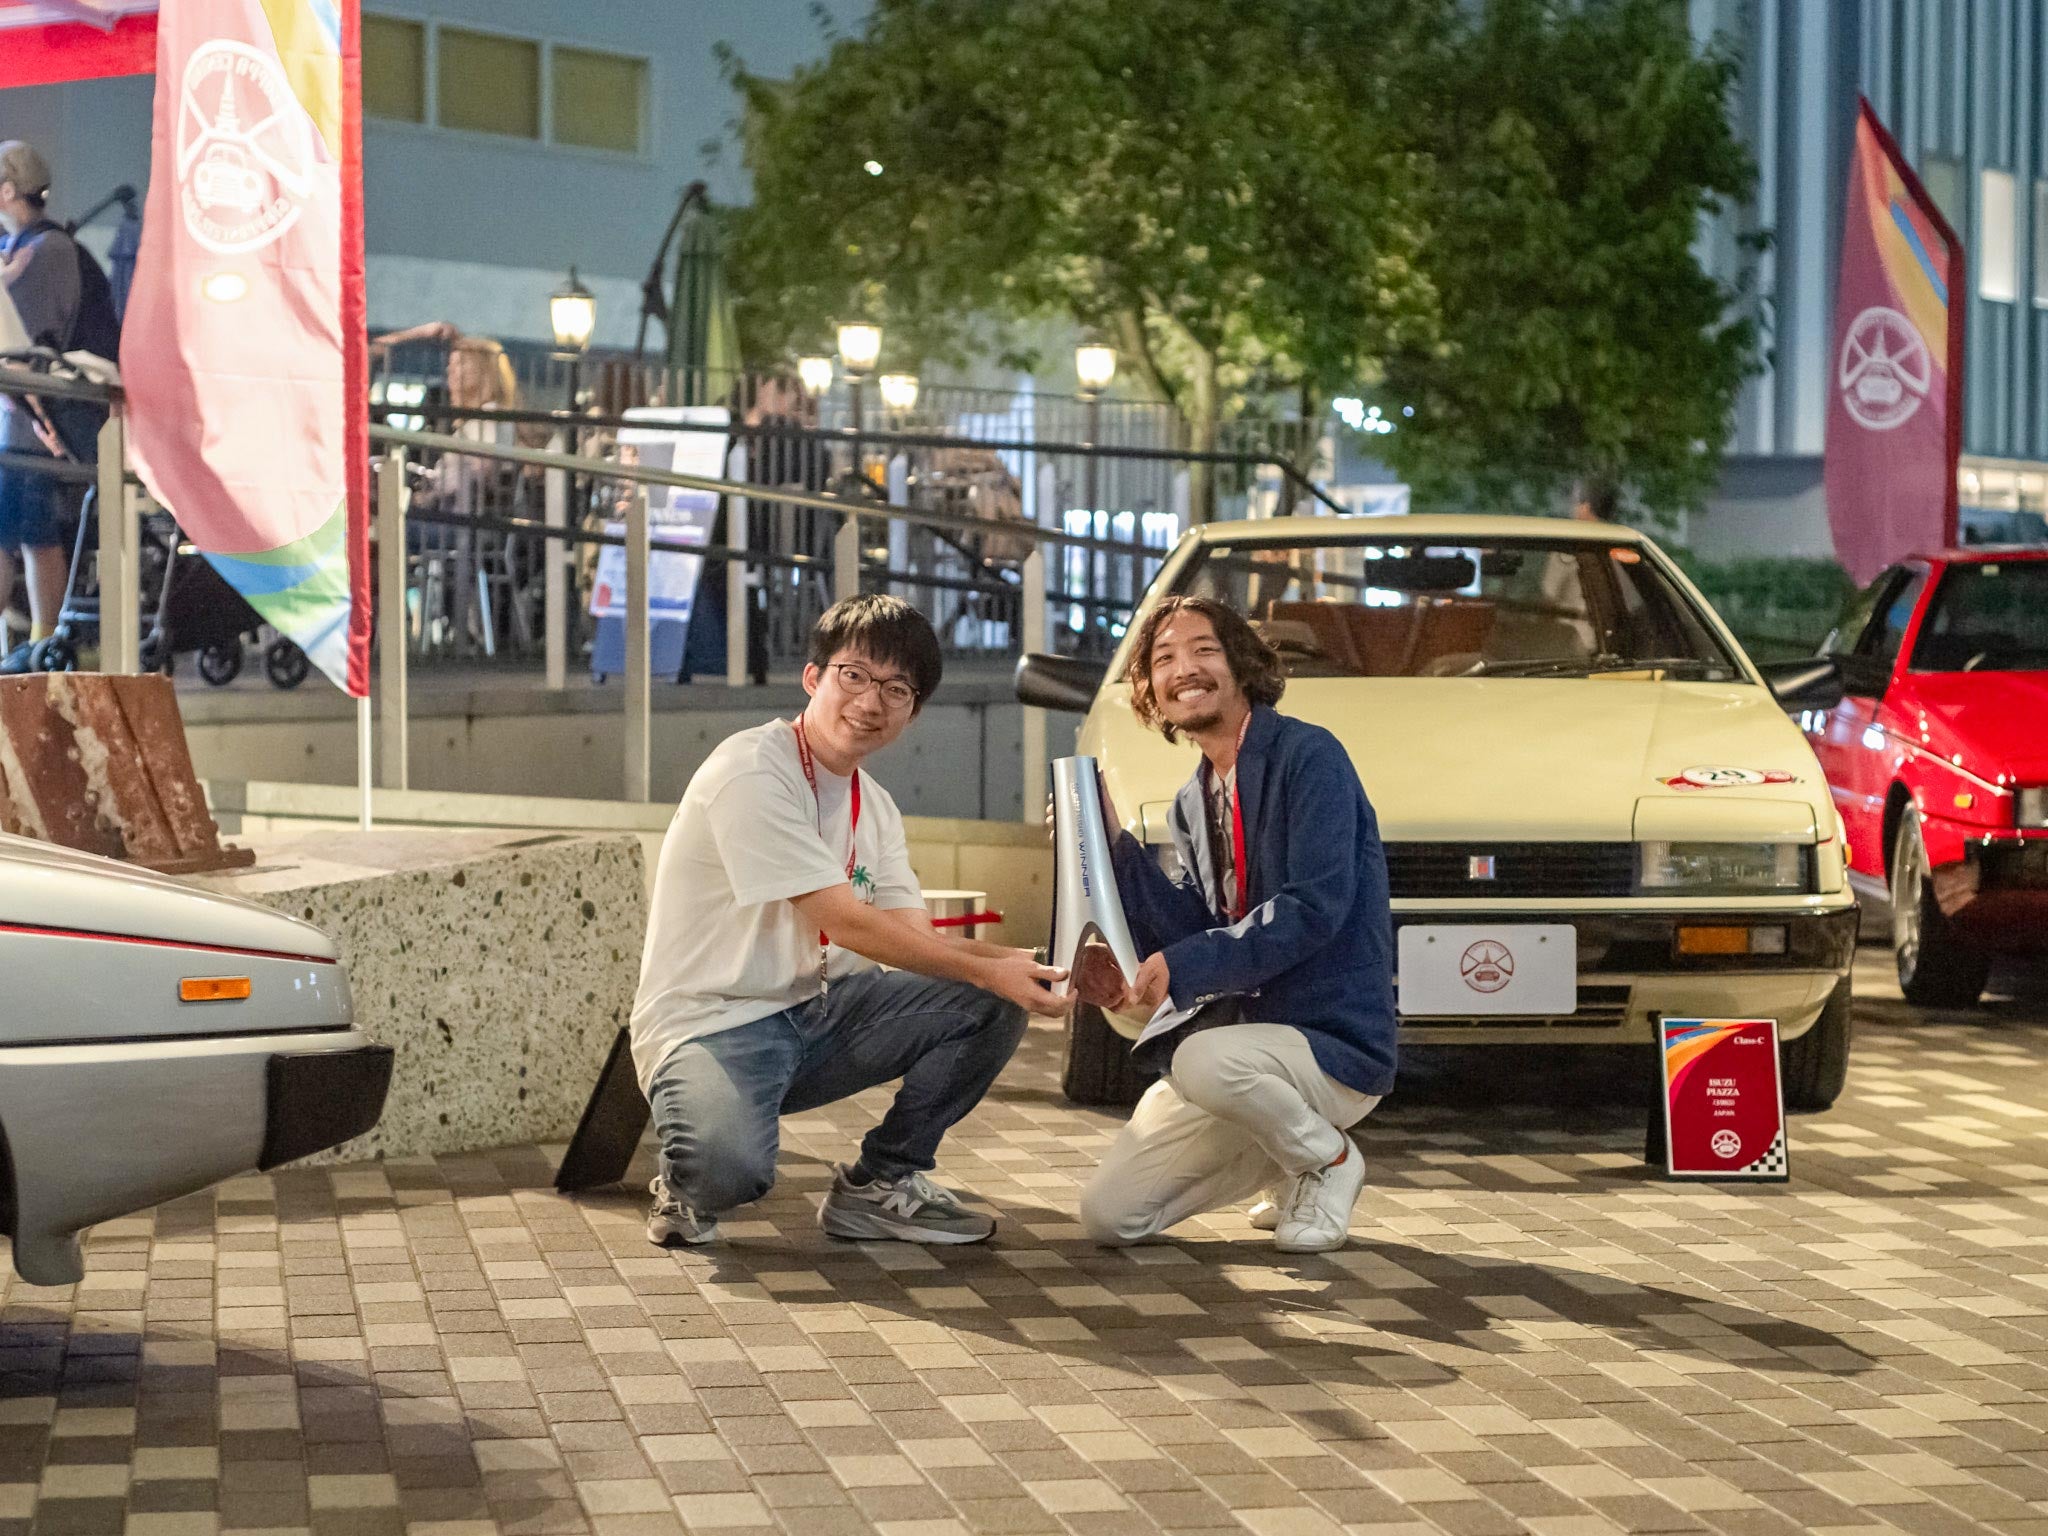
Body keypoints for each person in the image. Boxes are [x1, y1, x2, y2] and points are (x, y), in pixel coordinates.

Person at [631, 594, 1069, 1247]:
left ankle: (879, 1185)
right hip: (712, 1024)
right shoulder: (751, 769)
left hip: (817, 1013)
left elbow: (912, 941)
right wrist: (995, 967)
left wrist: (1028, 968)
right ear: (814, 677)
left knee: (988, 1002)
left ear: (913, 712)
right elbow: (847, 922)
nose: (871, 701)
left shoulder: (876, 806)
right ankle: (687, 1180)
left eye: (897, 689)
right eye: (855, 675)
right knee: (730, 1172)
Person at [1075, 595, 1397, 1253]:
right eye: (1163, 659)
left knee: (1200, 1058)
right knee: (1110, 1216)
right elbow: (1195, 924)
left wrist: (1184, 965)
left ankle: (1327, 1161)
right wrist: (1115, 848)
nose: (1183, 670)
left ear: (1242, 664)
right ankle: (1287, 1156)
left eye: (1204, 650)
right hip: (1239, 1054)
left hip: (1327, 1043)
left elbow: (1314, 907)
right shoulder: (1193, 801)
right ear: (1151, 691)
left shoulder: (1310, 756)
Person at [0, 141, 101, 672]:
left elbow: (32, 338)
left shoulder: (48, 250)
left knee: (34, 530)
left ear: (8, 190)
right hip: (21, 417)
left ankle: (44, 643)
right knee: (13, 531)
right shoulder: (30, 247)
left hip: (39, 420)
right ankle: (39, 642)